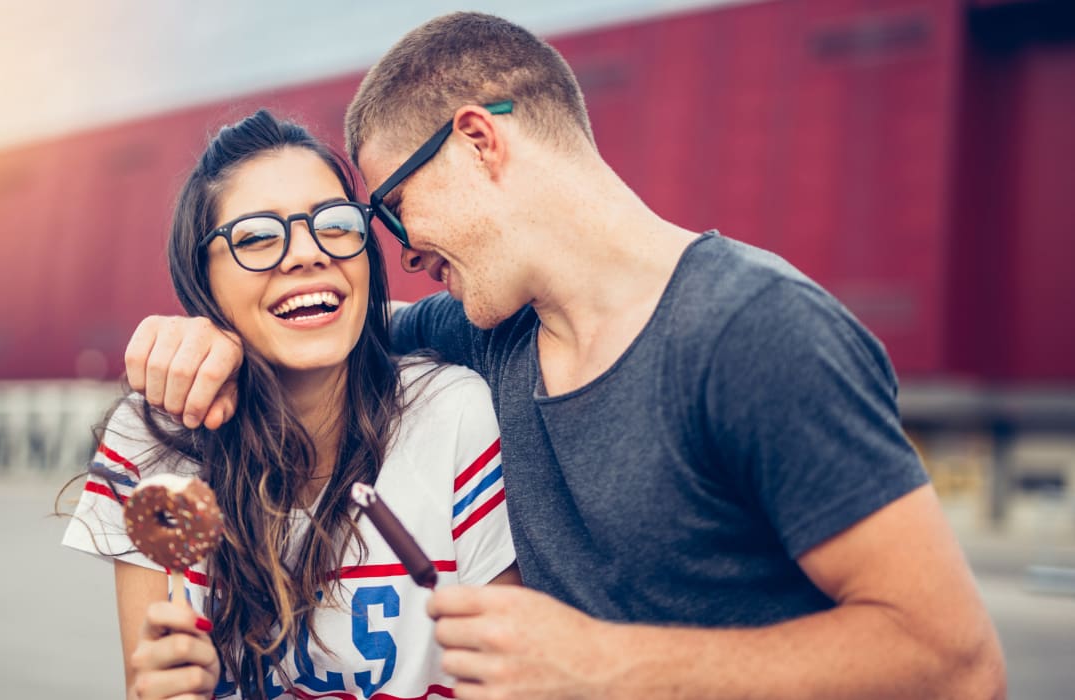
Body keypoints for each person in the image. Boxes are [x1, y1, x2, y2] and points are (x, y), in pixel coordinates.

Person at [121, 12, 1006, 699]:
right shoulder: (485, 330)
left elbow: (956, 664)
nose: (399, 249)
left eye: (389, 206)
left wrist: (610, 665)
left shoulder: (758, 333)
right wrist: (200, 336)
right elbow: (321, 334)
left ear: (478, 140)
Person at [63, 109, 519, 700]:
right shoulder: (155, 439)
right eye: (256, 236)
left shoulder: (452, 413)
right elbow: (147, 680)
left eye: (335, 224)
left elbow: (512, 675)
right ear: (202, 279)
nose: (307, 253)